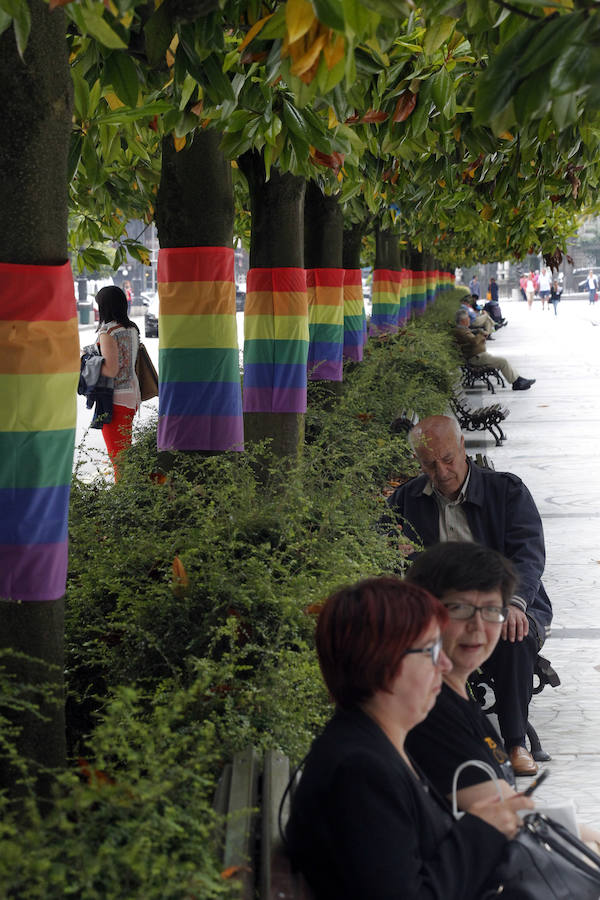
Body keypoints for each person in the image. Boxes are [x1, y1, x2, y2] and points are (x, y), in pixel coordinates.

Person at [285, 576, 534, 900]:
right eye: (431, 651)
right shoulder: (360, 772)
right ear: (384, 662)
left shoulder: (374, 743)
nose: (444, 664)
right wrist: (480, 831)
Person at [405, 541, 600, 851]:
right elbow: (509, 821)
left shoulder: (456, 698)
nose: (478, 627)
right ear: (426, 611)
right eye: (460, 609)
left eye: (492, 610)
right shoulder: (429, 712)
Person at [386, 415, 553, 775]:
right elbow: (379, 548)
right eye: (430, 464)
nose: (441, 470)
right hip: (442, 612)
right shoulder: (407, 500)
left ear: (463, 447)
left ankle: (515, 742)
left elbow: (529, 554)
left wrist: (514, 603)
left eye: (447, 459)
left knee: (511, 632)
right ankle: (420, 740)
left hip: (506, 602)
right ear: (418, 462)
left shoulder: (506, 491)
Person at [96, 286, 140, 479]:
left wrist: (87, 361)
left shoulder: (107, 332)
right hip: (132, 397)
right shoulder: (132, 329)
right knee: (124, 455)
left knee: (119, 462)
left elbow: (110, 370)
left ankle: (124, 501)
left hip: (115, 401)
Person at [453, 309, 535, 391]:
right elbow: (474, 342)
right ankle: (517, 383)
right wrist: (481, 333)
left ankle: (518, 380)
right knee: (503, 361)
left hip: (479, 356)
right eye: (468, 318)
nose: (469, 320)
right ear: (463, 321)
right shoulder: (462, 332)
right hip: (476, 358)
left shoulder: (463, 330)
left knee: (503, 361)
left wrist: (480, 336)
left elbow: (472, 341)